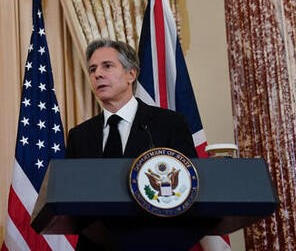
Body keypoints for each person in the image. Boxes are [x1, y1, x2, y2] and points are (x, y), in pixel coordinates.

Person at [65, 39, 197, 250]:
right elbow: (70, 197)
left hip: (156, 243)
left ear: (131, 74)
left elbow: (189, 188)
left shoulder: (169, 124)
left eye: (107, 66)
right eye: (92, 69)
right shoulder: (79, 136)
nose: (97, 74)